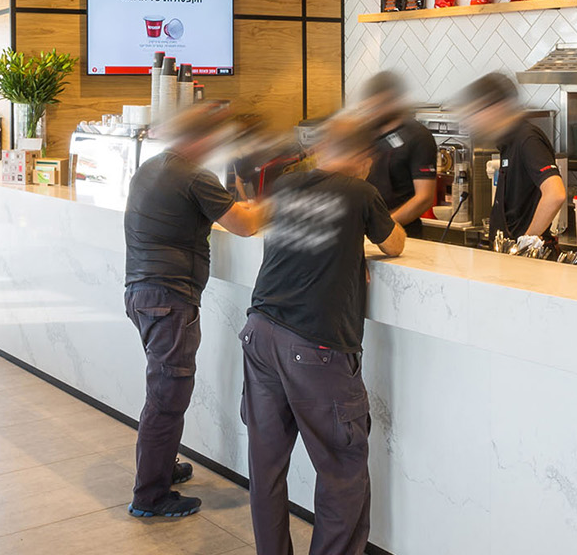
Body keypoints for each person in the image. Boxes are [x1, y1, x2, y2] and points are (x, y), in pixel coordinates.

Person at [240, 116, 405, 555]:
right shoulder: (360, 192)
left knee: (267, 466)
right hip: (314, 346)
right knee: (342, 472)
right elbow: (396, 244)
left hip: (259, 334)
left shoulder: (286, 186)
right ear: (359, 157)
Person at [122, 103, 263, 519]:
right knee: (167, 399)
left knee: (163, 392)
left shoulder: (152, 166)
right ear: (203, 140)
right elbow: (245, 225)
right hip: (169, 300)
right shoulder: (196, 176)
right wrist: (281, 203)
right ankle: (150, 497)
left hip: (142, 294)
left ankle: (161, 470)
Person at [457, 73, 565, 252]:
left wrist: (526, 244)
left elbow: (555, 194)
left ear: (496, 107)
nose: (473, 120)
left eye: (476, 112)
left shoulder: (527, 138)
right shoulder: (509, 142)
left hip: (528, 264)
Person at [354, 71, 438, 237]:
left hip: (403, 233)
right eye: (370, 106)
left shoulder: (418, 136)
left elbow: (424, 197)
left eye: (377, 106)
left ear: (393, 101)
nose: (372, 112)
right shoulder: (364, 134)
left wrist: (384, 227)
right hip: (364, 232)